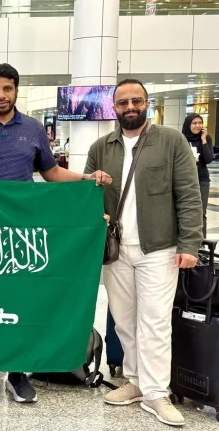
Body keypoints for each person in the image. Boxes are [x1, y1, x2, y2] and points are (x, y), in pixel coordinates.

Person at [0, 63, 112, 404]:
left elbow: (51, 172)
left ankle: (16, 372)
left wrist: (86, 179)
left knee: (17, 299)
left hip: (20, 233)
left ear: (16, 90)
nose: (0, 95)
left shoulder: (32, 129)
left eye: (7, 88)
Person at [87, 79, 201, 427]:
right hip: (116, 249)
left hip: (159, 248)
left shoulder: (170, 140)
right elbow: (86, 195)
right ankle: (135, 381)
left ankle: (156, 392)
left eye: (136, 100)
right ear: (114, 107)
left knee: (155, 321)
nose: (130, 107)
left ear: (146, 103)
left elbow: (189, 193)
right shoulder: (101, 147)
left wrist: (190, 244)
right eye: (123, 103)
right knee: (124, 320)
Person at [181, 113, 214, 237]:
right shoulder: (181, 139)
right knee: (184, 211)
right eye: (194, 123)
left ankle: (202, 241)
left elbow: (209, 159)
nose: (198, 125)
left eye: (200, 123)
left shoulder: (206, 138)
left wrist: (204, 140)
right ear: (188, 125)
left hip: (202, 179)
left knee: (201, 211)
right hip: (184, 179)